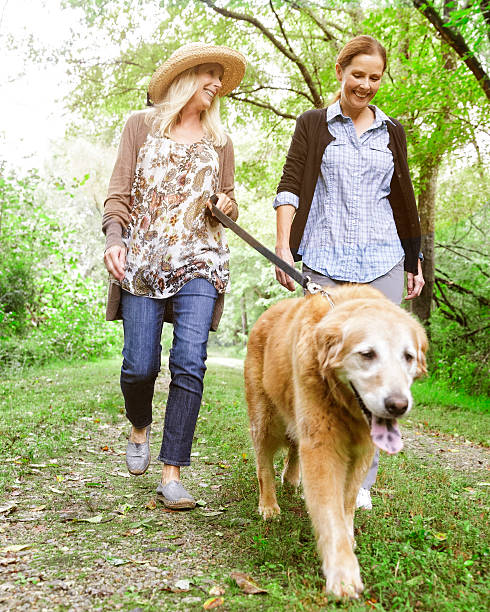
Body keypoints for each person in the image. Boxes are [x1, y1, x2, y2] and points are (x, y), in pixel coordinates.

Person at [273, 35, 424, 510]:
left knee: (377, 368)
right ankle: (311, 453)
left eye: (374, 77)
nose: (365, 84)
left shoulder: (391, 132)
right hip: (325, 261)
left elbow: (404, 200)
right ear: (340, 71)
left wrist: (414, 260)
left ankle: (360, 479)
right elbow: (291, 185)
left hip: (383, 263)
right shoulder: (314, 124)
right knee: (321, 369)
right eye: (357, 74)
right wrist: (283, 245)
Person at [102, 43, 246, 510]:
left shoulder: (220, 141)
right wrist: (114, 240)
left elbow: (228, 199)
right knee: (139, 365)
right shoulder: (139, 126)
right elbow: (118, 194)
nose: (217, 84)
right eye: (209, 73)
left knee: (189, 360)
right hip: (144, 259)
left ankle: (172, 473)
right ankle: (139, 423)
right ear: (185, 77)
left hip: (201, 259)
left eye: (219, 77)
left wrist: (227, 206)